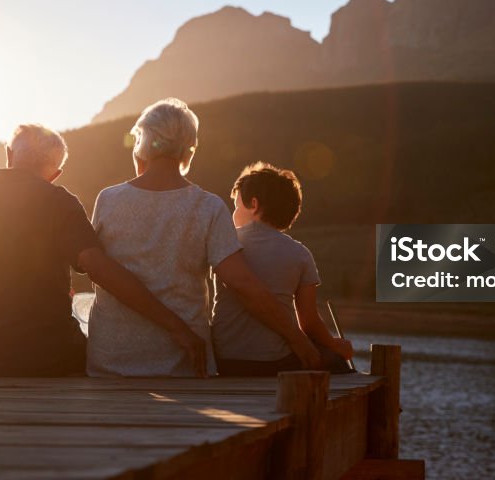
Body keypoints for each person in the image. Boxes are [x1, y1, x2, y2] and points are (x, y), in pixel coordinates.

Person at [0, 123, 205, 377]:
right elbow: (101, 269)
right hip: (51, 358)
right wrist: (175, 326)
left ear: (8, 155)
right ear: (56, 172)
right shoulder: (59, 202)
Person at [85, 98, 321, 377]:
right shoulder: (208, 207)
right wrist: (297, 339)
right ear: (188, 151)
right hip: (182, 364)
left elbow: (97, 271)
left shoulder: (109, 199)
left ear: (142, 144)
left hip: (111, 363)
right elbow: (242, 284)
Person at [212, 162, 354, 376]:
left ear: (254, 204)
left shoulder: (226, 243)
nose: (233, 214)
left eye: (236, 206)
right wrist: (334, 345)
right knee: (336, 364)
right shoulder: (300, 254)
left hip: (225, 360)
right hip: (276, 361)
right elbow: (309, 320)